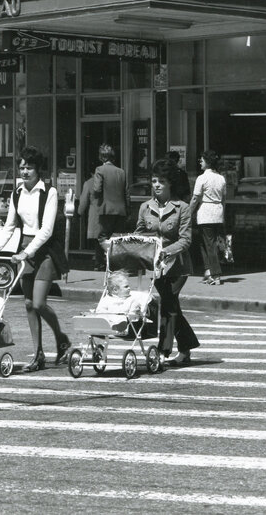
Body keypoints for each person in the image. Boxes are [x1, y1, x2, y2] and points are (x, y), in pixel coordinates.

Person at [0, 146, 71, 372]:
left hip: (45, 250)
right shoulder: (17, 193)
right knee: (29, 304)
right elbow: (9, 226)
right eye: (22, 167)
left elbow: (46, 230)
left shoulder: (49, 192)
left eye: (29, 167)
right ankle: (38, 354)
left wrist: (27, 253)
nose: (24, 171)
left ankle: (61, 338)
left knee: (39, 303)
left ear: (38, 169)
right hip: (25, 248)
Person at [136, 158, 200, 366]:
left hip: (177, 266)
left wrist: (166, 251)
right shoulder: (145, 207)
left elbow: (186, 239)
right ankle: (186, 347)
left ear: (170, 183)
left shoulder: (182, 208)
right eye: (154, 180)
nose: (156, 185)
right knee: (171, 307)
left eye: (161, 181)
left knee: (168, 304)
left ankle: (163, 350)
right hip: (156, 267)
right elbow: (139, 234)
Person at [190, 149, 227, 286]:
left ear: (208, 162)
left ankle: (216, 274)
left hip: (205, 214)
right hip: (218, 213)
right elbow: (224, 199)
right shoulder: (221, 178)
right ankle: (208, 271)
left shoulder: (202, 178)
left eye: (202, 159)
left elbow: (195, 198)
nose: (200, 161)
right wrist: (222, 214)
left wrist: (188, 213)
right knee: (205, 243)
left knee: (209, 244)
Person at [92, 144, 129, 268]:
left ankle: (106, 258)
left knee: (102, 237)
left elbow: (97, 189)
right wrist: (127, 210)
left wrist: (96, 198)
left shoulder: (100, 170)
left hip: (106, 209)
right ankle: (117, 262)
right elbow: (126, 193)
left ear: (101, 157)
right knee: (117, 237)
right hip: (121, 210)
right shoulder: (121, 172)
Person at [76, 168, 104, 269]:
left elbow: (83, 201)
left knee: (97, 239)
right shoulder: (108, 181)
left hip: (95, 213)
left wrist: (79, 212)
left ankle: (99, 262)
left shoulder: (89, 183)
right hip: (109, 213)